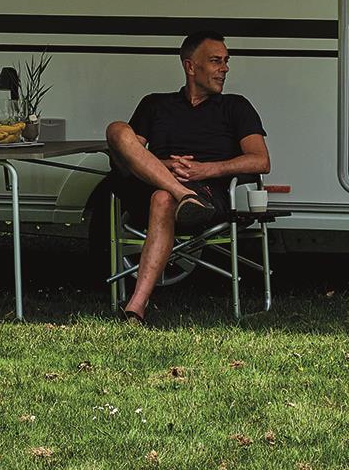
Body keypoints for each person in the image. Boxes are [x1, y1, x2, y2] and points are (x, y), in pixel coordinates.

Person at [104, 31, 270, 324]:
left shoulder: (235, 107)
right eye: (216, 61)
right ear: (190, 66)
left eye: (226, 61)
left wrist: (205, 170)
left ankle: (135, 308)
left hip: (206, 198)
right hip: (150, 192)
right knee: (117, 129)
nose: (225, 68)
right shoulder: (155, 104)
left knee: (163, 198)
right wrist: (164, 165)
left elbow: (260, 160)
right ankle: (182, 194)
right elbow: (127, 155)